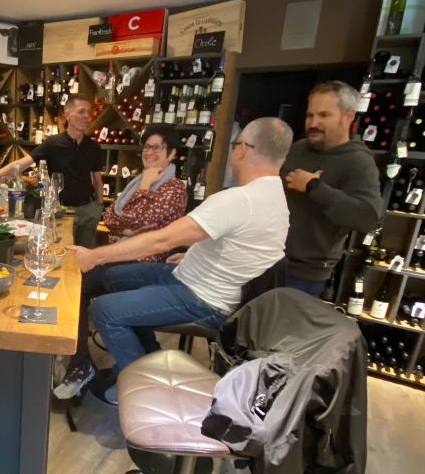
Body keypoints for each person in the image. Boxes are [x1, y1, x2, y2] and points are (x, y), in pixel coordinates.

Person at [70, 117, 294, 403]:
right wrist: (192, 254)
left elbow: (160, 240)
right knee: (112, 279)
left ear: (242, 149)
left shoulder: (238, 199)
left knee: (103, 309)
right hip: (192, 276)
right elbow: (245, 245)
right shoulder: (276, 198)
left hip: (203, 297)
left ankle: (143, 386)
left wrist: (95, 255)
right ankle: (146, 356)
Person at [53, 124, 187, 399]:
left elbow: (139, 220)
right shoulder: (135, 182)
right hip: (122, 254)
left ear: (172, 153)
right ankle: (143, 359)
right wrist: (131, 226)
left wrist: (145, 188)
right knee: (78, 278)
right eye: (146, 147)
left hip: (145, 263)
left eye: (157, 147)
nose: (149, 152)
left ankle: (81, 366)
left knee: (76, 284)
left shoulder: (175, 188)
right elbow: (110, 218)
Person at [281, 81, 382, 297]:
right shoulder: (298, 148)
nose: (313, 123)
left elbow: (368, 217)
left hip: (304, 275)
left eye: (324, 115)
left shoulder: (358, 161)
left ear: (348, 116)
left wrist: (313, 187)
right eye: (310, 115)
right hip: (267, 260)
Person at [0, 94, 103, 248]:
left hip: (88, 211)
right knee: (60, 251)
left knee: (85, 255)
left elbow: (97, 180)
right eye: (81, 111)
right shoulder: (53, 143)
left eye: (88, 112)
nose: (87, 116)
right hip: (61, 212)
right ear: (67, 115)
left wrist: (98, 207)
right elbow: (20, 165)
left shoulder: (93, 147)